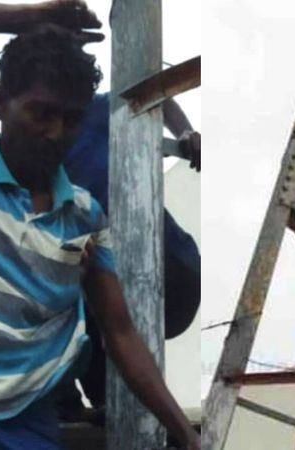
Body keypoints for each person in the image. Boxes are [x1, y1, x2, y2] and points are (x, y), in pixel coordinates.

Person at [0, 1, 199, 449]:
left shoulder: (84, 217)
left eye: (71, 119)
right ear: (0, 104)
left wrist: (185, 433)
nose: (56, 131)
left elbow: (122, 334)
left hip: (35, 429)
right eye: (41, 112)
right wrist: (24, 19)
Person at [60, 92, 201, 417]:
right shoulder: (30, 152)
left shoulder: (92, 109)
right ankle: (101, 407)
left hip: (165, 260)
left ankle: (122, 408)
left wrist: (185, 132)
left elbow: (159, 99)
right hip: (95, 275)